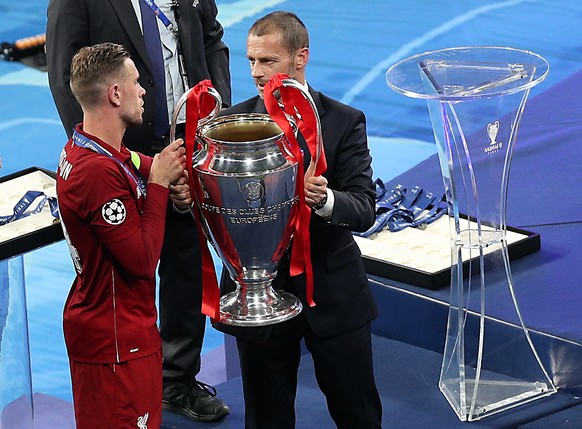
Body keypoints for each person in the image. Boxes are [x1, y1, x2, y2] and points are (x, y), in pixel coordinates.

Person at [46, 0, 231, 421]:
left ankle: (177, 379)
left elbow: (210, 38)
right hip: (120, 150)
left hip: (179, 145)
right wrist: (114, 157)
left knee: (186, 264)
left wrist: (210, 116)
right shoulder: (94, 170)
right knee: (130, 266)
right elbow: (65, 74)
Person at [216, 11, 383, 429]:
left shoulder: (344, 122)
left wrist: (325, 199)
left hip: (332, 291)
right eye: (251, 60)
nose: (256, 72)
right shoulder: (228, 127)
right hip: (259, 294)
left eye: (267, 61)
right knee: (266, 419)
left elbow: (363, 209)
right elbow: (210, 207)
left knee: (358, 414)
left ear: (300, 57)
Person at [56, 42, 190, 429]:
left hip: (110, 326)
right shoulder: (97, 172)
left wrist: (164, 170)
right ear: (115, 94)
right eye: (135, 82)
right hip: (117, 340)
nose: (144, 90)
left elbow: (143, 165)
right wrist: (162, 186)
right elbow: (143, 261)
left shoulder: (87, 147)